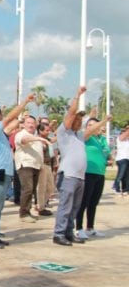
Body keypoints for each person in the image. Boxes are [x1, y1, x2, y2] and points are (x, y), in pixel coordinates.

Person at [0, 94, 35, 249]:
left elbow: (12, 124)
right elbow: (11, 116)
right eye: (1, 113)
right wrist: (25, 102)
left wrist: (20, 119)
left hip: (0, 172)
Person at [52, 87, 90, 246]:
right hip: (68, 175)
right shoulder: (63, 132)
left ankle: (68, 232)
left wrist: (103, 121)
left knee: (74, 207)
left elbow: (92, 130)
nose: (79, 123)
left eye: (81, 121)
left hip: (80, 177)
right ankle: (59, 233)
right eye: (77, 120)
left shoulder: (79, 136)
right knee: (65, 206)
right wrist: (78, 95)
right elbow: (70, 114)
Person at [75, 115, 112, 239]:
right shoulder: (85, 137)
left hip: (100, 174)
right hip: (88, 173)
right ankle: (78, 228)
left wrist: (107, 160)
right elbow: (88, 133)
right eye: (89, 125)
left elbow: (106, 154)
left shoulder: (102, 139)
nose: (92, 127)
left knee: (93, 202)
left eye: (94, 125)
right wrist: (103, 121)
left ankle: (90, 228)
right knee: (84, 202)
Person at [14, 116, 50, 223]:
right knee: (27, 189)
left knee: (31, 190)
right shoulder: (21, 134)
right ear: (24, 124)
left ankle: (27, 211)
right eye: (28, 122)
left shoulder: (34, 136)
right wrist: (39, 138)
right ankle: (23, 213)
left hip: (36, 166)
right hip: (26, 165)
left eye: (32, 123)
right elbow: (24, 140)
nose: (30, 125)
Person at [35, 122, 55, 216]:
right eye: (46, 130)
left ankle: (41, 204)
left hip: (48, 165)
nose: (48, 132)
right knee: (41, 187)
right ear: (40, 131)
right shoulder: (37, 140)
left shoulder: (47, 140)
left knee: (50, 188)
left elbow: (54, 139)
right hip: (41, 165)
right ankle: (41, 207)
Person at [114, 126, 129, 196]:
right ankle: (116, 187)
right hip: (121, 159)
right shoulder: (120, 138)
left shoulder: (127, 140)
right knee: (121, 174)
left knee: (126, 176)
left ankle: (125, 189)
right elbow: (125, 135)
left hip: (127, 158)